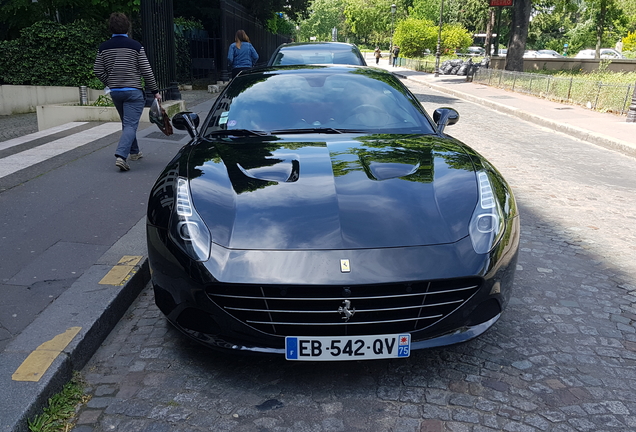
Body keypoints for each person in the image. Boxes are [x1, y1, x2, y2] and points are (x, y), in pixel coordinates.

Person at [94, 12, 161, 172]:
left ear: (111, 28)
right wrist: (155, 91)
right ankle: (121, 156)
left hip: (116, 92)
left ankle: (135, 152)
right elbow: (146, 70)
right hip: (133, 92)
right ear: (127, 27)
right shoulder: (135, 46)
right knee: (131, 124)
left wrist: (109, 82)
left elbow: (97, 69)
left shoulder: (103, 48)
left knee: (127, 123)